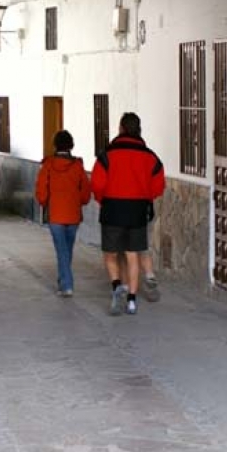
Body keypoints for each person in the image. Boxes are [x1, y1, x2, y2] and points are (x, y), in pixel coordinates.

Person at [90, 112, 165, 316]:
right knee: (133, 254)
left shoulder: (106, 155)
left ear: (121, 129)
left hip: (112, 209)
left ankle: (117, 287)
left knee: (111, 254)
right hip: (137, 211)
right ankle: (132, 300)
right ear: (139, 129)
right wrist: (146, 197)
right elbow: (159, 184)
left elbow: (97, 183)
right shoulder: (149, 156)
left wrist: (102, 199)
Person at [35, 129, 91, 297]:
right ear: (71, 145)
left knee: (62, 250)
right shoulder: (78, 166)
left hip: (56, 215)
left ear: (55, 145)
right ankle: (62, 280)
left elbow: (41, 191)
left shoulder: (48, 165)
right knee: (67, 249)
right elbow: (86, 192)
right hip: (73, 215)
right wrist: (78, 202)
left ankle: (66, 285)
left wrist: (45, 203)